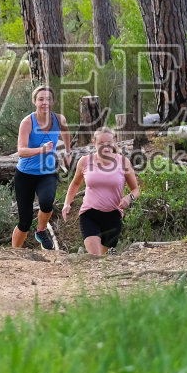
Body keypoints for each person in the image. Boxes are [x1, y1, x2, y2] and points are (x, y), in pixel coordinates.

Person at [62, 127, 140, 256]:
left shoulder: (123, 162)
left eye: (109, 143)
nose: (106, 146)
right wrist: (67, 202)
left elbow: (136, 190)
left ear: (114, 142)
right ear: (94, 143)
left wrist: (128, 198)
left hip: (113, 216)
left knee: (105, 260)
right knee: (95, 257)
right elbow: (76, 183)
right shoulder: (85, 161)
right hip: (89, 214)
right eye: (101, 143)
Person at [13, 84, 69, 250]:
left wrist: (68, 151)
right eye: (41, 99)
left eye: (49, 99)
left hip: (47, 172)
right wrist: (41, 150)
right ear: (35, 101)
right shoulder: (27, 122)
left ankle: (41, 230)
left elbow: (66, 131)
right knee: (24, 222)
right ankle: (14, 254)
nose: (45, 102)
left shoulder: (59, 119)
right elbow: (21, 152)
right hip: (25, 175)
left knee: (46, 203)